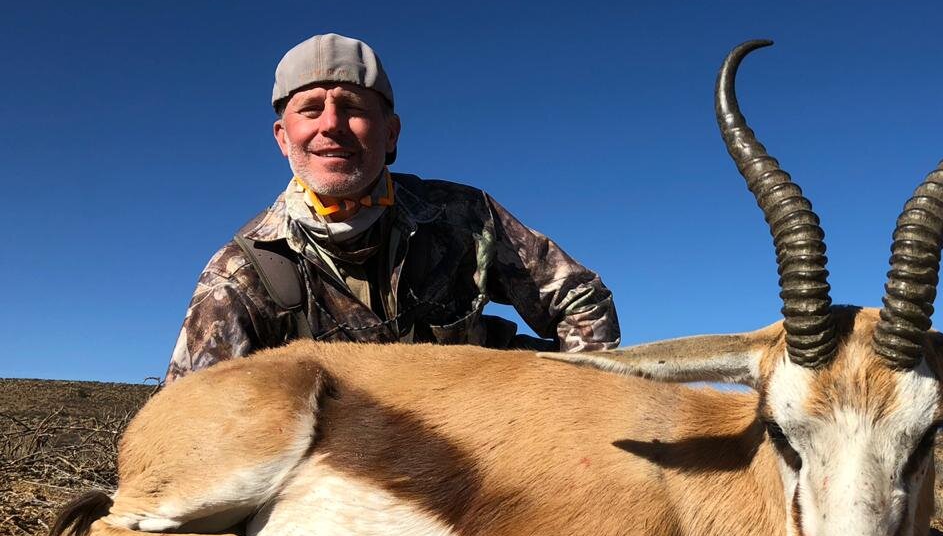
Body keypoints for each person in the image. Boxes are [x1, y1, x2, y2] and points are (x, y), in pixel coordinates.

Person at [165, 33, 620, 384]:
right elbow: (190, 413)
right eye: (310, 110)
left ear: (391, 134)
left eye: (351, 107)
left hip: (486, 445)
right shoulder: (239, 274)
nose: (331, 126)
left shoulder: (467, 215)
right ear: (283, 138)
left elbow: (579, 299)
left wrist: (575, 412)